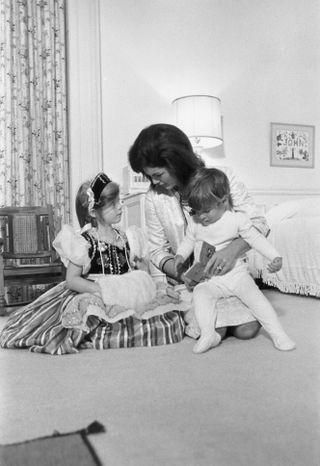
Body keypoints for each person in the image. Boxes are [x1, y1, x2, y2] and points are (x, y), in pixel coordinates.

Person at [0, 172, 184, 354]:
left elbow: (135, 268)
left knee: (163, 312)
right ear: (93, 212)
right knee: (87, 308)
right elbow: (72, 280)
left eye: (119, 202)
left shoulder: (128, 237)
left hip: (124, 291)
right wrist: (100, 291)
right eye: (113, 205)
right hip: (95, 289)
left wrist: (141, 279)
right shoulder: (85, 241)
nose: (120, 207)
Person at [128, 123, 271, 341]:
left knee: (247, 331)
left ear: (176, 162)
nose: (154, 182)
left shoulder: (222, 178)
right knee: (214, 330)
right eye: (150, 177)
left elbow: (260, 223)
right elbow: (157, 250)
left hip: (230, 274)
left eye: (158, 174)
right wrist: (181, 273)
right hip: (190, 283)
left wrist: (232, 250)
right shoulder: (154, 197)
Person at [174, 167, 296, 353]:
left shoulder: (236, 220)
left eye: (206, 210)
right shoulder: (196, 223)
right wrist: (180, 255)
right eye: (197, 211)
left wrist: (274, 256)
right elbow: (189, 241)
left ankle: (279, 334)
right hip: (211, 279)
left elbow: (255, 239)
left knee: (258, 300)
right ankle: (209, 334)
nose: (202, 216)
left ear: (223, 202)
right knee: (201, 295)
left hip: (236, 276)